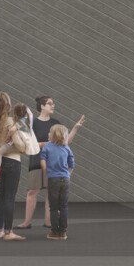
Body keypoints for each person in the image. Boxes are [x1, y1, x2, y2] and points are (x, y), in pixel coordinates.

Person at [19, 96, 83, 231]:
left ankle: (48, 221)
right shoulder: (33, 123)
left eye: (53, 103)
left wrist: (75, 128)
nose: (53, 105)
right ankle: (27, 221)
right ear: (42, 106)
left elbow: (65, 142)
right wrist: (46, 144)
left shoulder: (56, 123)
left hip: (53, 164)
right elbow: (27, 143)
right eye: (50, 103)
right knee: (32, 191)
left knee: (51, 192)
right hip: (36, 162)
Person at [0, 93, 32, 241]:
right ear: (8, 106)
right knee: (9, 197)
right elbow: (19, 144)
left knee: (1, 197)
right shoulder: (9, 121)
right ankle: (9, 232)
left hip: (0, 163)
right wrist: (24, 147)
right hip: (13, 162)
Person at [38, 125, 74, 240]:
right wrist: (68, 174)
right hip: (65, 179)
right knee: (63, 206)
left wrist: (46, 172)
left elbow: (42, 160)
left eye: (50, 132)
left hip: (53, 178)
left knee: (53, 207)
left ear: (53, 135)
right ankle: (63, 232)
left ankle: (54, 232)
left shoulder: (47, 146)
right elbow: (71, 163)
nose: (48, 134)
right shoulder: (66, 147)